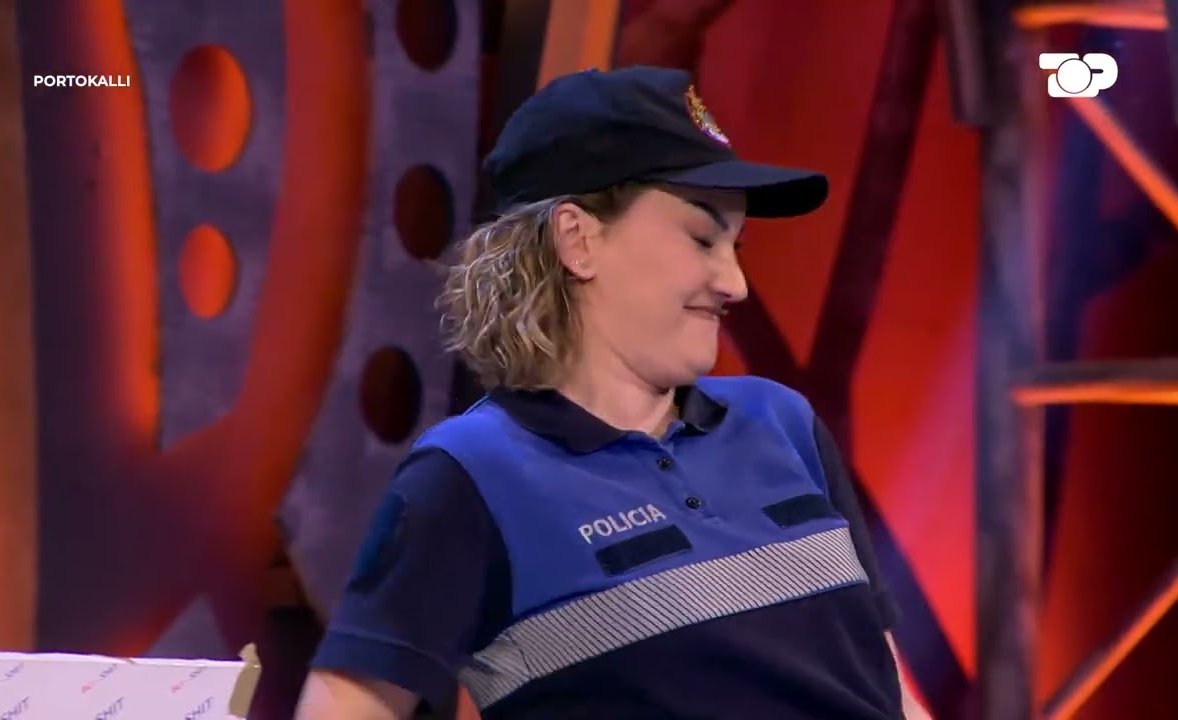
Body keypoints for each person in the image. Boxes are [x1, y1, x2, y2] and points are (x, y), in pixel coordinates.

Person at [296, 66, 931, 720]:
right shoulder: (472, 474)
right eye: (702, 238)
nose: (735, 283)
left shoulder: (783, 422)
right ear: (578, 240)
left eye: (736, 246)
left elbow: (890, 692)